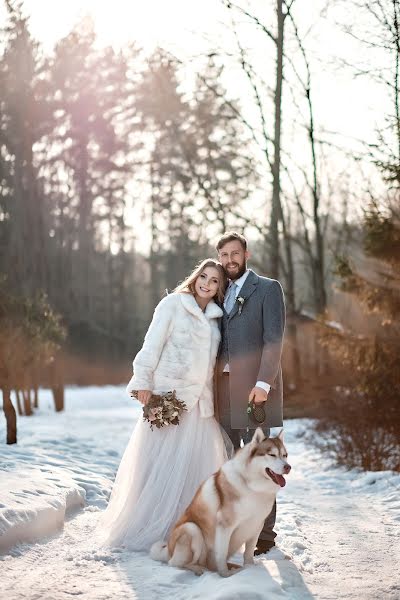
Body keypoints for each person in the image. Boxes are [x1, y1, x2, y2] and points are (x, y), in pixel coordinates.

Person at [101, 259, 229, 551]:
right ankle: (149, 524)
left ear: (219, 288)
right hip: (168, 397)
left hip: (199, 404)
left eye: (214, 282)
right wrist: (143, 381)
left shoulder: (215, 318)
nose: (207, 284)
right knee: (160, 466)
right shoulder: (172, 305)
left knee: (193, 470)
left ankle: (186, 528)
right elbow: (152, 344)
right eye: (204, 277)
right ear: (195, 276)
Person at [215, 231, 286, 555]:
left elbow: (274, 340)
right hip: (224, 392)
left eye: (234, 253)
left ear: (246, 254)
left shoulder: (268, 289)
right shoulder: (219, 291)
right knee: (231, 462)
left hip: (256, 392)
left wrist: (263, 384)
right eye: (224, 255)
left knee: (263, 463)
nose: (229, 260)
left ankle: (265, 536)